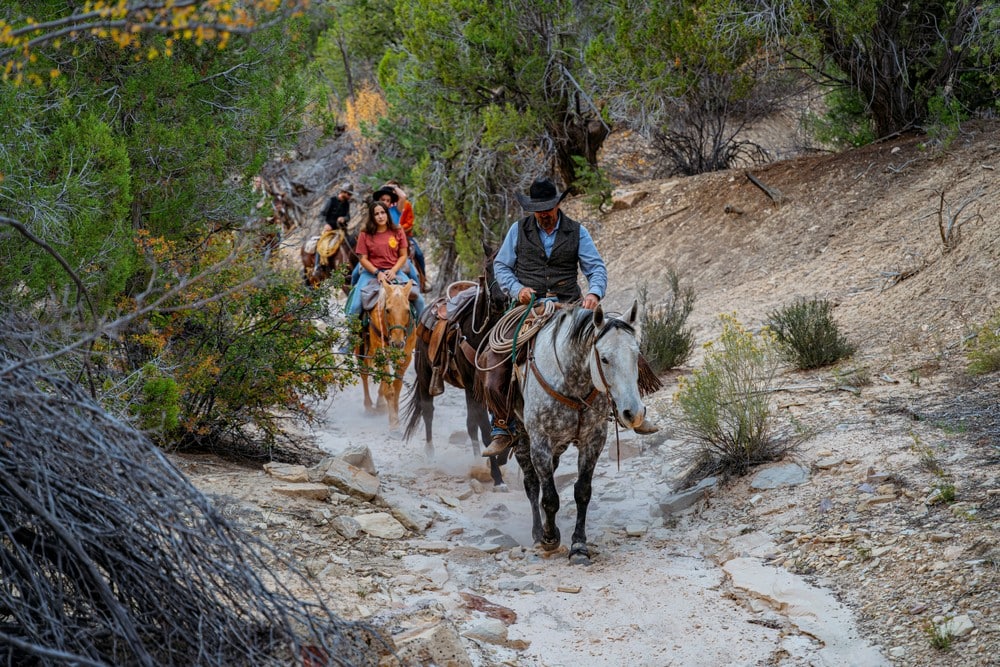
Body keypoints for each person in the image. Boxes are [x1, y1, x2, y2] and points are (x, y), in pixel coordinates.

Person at [480, 177, 656, 458]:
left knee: (619, 343)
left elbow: (595, 267)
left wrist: (594, 294)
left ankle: (634, 411)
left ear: (558, 205)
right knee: (496, 360)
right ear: (531, 210)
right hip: (529, 308)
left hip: (571, 306)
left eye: (548, 208)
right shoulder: (518, 230)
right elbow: (501, 265)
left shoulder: (577, 231)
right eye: (538, 210)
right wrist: (517, 289)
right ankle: (503, 424)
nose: (544, 215)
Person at [345, 200, 425, 320]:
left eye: (383, 212)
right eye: (376, 214)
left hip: (395, 272)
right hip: (370, 273)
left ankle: (420, 336)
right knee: (355, 308)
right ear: (372, 217)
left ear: (387, 214)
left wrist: (393, 270)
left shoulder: (397, 230)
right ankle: (352, 338)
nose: (380, 216)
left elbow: (403, 255)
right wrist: (377, 273)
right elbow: (363, 258)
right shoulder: (365, 233)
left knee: (419, 301)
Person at [374, 182, 431, 293]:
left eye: (392, 192)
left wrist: (399, 229)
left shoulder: (405, 205)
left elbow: (410, 223)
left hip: (405, 236)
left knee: (418, 254)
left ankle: (424, 279)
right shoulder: (377, 211)